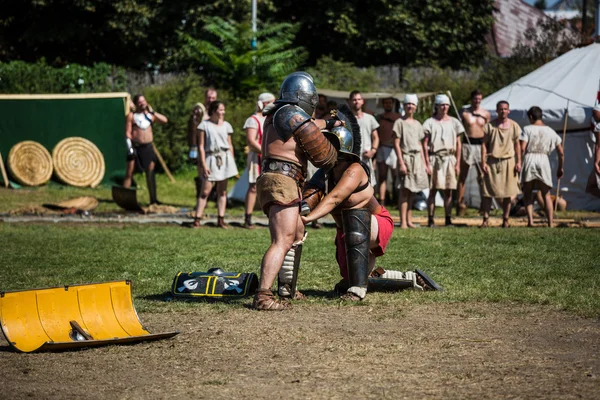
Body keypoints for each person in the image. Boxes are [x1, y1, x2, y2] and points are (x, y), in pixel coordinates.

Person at [300, 108, 433, 301]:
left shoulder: (355, 169)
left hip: (373, 224)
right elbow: (311, 192)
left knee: (356, 279)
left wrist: (308, 218)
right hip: (347, 232)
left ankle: (358, 290)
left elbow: (335, 198)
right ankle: (410, 279)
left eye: (328, 143)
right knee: (349, 281)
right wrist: (299, 208)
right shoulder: (327, 171)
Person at [253, 72, 340, 311]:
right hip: (283, 180)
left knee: (297, 231)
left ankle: (286, 288)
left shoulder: (278, 113)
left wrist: (331, 122)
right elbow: (321, 151)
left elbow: (311, 125)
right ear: (303, 97)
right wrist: (333, 130)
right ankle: (263, 295)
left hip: (278, 179)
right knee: (281, 240)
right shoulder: (289, 112)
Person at [192, 101, 238, 228]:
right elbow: (201, 146)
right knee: (205, 191)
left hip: (225, 158)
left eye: (224, 110)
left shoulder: (227, 126)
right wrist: (203, 165)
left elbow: (230, 145)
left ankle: (220, 219)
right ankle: (197, 218)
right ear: (213, 111)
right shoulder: (204, 125)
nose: (223, 112)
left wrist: (231, 162)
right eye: (221, 109)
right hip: (210, 158)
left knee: (222, 191)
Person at [423, 94, 463, 227]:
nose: (444, 107)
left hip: (449, 158)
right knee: (433, 190)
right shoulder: (429, 122)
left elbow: (458, 144)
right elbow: (424, 143)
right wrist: (427, 163)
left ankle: (448, 219)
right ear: (437, 106)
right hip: (435, 157)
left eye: (446, 105)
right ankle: (430, 219)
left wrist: (457, 162)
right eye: (442, 105)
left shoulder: (454, 122)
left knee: (448, 190)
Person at [520, 106, 564, 227]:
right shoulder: (550, 131)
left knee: (527, 192)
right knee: (546, 194)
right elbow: (561, 152)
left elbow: (523, 148)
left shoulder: (527, 129)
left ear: (530, 117)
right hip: (544, 160)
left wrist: (519, 162)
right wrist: (560, 167)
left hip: (530, 158)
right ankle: (550, 223)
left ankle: (530, 221)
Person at [480, 101, 522, 228]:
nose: (503, 111)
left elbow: (517, 145)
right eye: (501, 109)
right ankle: (486, 219)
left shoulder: (514, 126)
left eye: (505, 109)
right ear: (497, 111)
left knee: (508, 193)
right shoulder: (490, 126)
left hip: (509, 161)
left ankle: (505, 220)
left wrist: (519, 161)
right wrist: (483, 161)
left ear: (508, 111)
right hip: (492, 161)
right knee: (488, 192)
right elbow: (484, 144)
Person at [124, 94, 168, 205]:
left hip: (148, 147)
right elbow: (128, 132)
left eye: (144, 101)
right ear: (136, 104)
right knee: (130, 172)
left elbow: (164, 120)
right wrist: (129, 147)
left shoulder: (150, 116)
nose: (142, 103)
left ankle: (153, 199)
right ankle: (125, 198)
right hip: (136, 147)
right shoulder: (131, 116)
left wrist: (153, 112)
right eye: (140, 102)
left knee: (151, 172)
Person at [393, 94, 429, 229]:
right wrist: (401, 162)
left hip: (417, 159)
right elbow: (396, 144)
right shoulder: (399, 123)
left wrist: (424, 163)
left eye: (412, 104)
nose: (410, 106)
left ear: (415, 107)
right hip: (406, 158)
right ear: (404, 105)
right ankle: (402, 221)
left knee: (413, 191)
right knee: (404, 190)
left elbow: (420, 144)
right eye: (408, 104)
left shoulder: (418, 124)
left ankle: (409, 220)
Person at [242, 92, 275, 229]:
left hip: (268, 156)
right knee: (253, 187)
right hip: (257, 157)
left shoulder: (270, 118)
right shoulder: (253, 119)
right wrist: (265, 151)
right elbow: (251, 141)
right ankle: (247, 217)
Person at [457, 89, 490, 216]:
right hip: (467, 143)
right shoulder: (464, 113)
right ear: (471, 99)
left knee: (482, 175)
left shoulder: (485, 114)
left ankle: (484, 205)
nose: (477, 101)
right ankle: (460, 204)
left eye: (479, 99)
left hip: (480, 145)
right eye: (475, 99)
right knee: (463, 175)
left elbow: (487, 131)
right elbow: (458, 130)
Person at [349, 90, 379, 186]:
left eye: (359, 99)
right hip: (351, 159)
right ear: (350, 101)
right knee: (352, 186)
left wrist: (373, 151)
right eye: (354, 100)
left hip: (365, 158)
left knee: (368, 186)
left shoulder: (370, 118)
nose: (356, 101)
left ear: (363, 101)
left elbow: (376, 137)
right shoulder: (346, 119)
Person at [375, 97, 402, 205]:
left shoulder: (399, 118)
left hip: (395, 149)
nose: (388, 105)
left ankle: (397, 200)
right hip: (382, 148)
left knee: (397, 176)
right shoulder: (379, 118)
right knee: (382, 176)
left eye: (390, 103)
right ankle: (382, 202)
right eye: (386, 103)